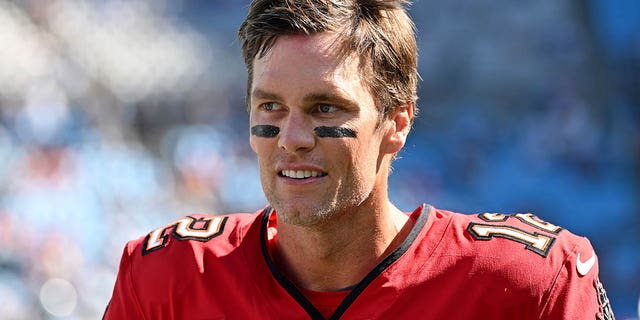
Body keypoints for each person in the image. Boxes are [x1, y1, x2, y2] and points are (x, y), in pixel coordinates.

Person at [103, 0, 615, 319]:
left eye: (325, 107)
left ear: (397, 122)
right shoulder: (167, 279)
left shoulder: (529, 284)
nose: (292, 138)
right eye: (270, 108)